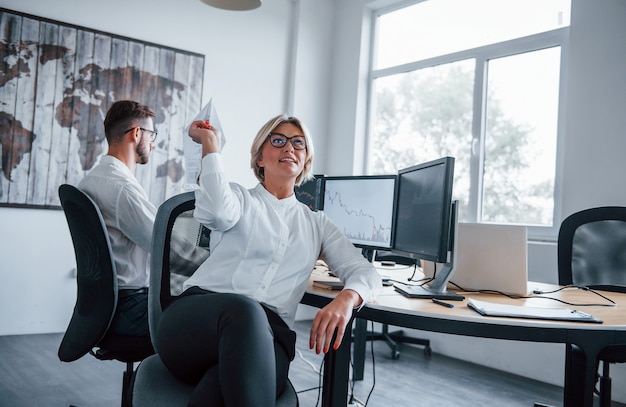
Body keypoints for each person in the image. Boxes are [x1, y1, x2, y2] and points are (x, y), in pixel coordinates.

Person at [155, 114, 382, 406]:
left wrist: (348, 297)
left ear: (305, 161)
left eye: (298, 144)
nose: (289, 148)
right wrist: (210, 147)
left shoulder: (317, 224)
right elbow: (217, 214)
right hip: (197, 324)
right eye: (278, 141)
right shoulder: (237, 197)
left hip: (268, 340)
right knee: (246, 311)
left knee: (218, 391)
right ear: (260, 158)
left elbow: (366, 272)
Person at [78, 100, 158, 337]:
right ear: (136, 133)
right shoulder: (122, 189)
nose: (152, 144)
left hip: (101, 307)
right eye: (151, 135)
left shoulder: (91, 180)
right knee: (209, 322)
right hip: (130, 308)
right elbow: (165, 244)